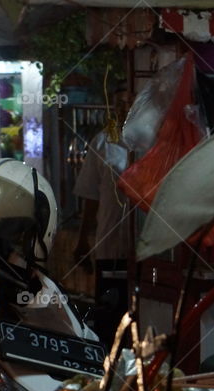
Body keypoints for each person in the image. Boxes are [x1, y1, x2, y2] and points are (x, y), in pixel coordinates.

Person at [74, 90, 133, 347]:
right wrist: (83, 240)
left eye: (130, 103)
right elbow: (90, 197)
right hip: (111, 246)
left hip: (150, 251)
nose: (125, 109)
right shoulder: (103, 142)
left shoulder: (156, 141)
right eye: (122, 103)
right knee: (111, 322)